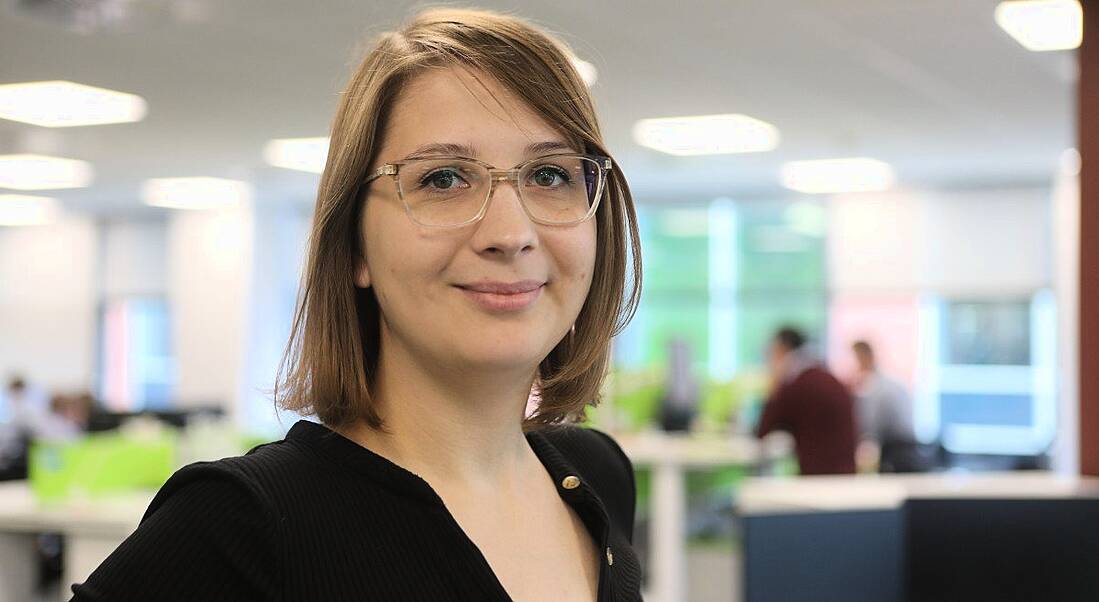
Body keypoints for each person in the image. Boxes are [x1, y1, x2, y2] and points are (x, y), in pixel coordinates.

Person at [72, 9, 643, 601]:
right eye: (444, 179)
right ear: (353, 246)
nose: (510, 232)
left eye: (550, 174)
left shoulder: (595, 476)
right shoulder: (245, 524)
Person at [755, 327, 857, 475]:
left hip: (818, 479)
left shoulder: (796, 385)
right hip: (843, 474)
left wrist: (774, 384)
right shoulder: (825, 377)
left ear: (783, 349)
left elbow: (763, 430)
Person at [850, 340, 924, 473]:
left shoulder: (877, 387)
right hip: (908, 446)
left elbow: (870, 424)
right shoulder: (890, 382)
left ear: (865, 357)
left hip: (896, 450)